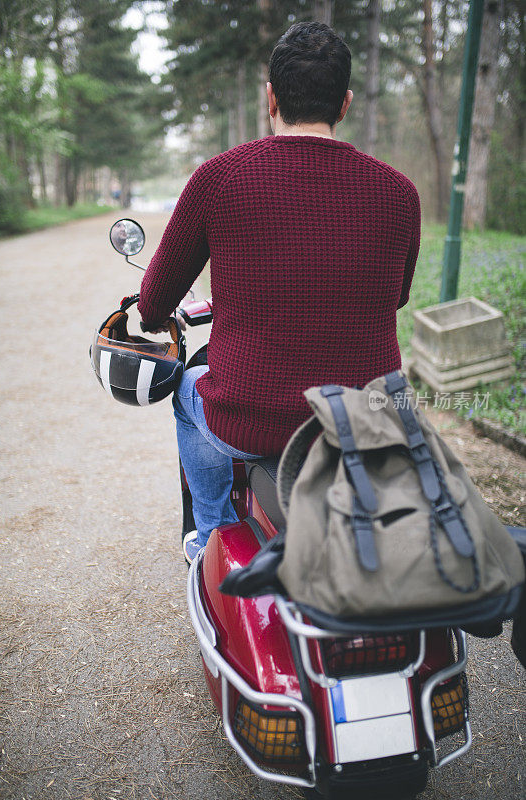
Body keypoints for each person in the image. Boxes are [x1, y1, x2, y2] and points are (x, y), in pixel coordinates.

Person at [138, 22, 421, 563]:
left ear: (271, 97)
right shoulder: (399, 192)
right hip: (369, 419)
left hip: (254, 419)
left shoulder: (219, 178)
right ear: (344, 103)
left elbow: (154, 304)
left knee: (187, 388)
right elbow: (397, 296)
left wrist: (154, 313)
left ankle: (213, 539)